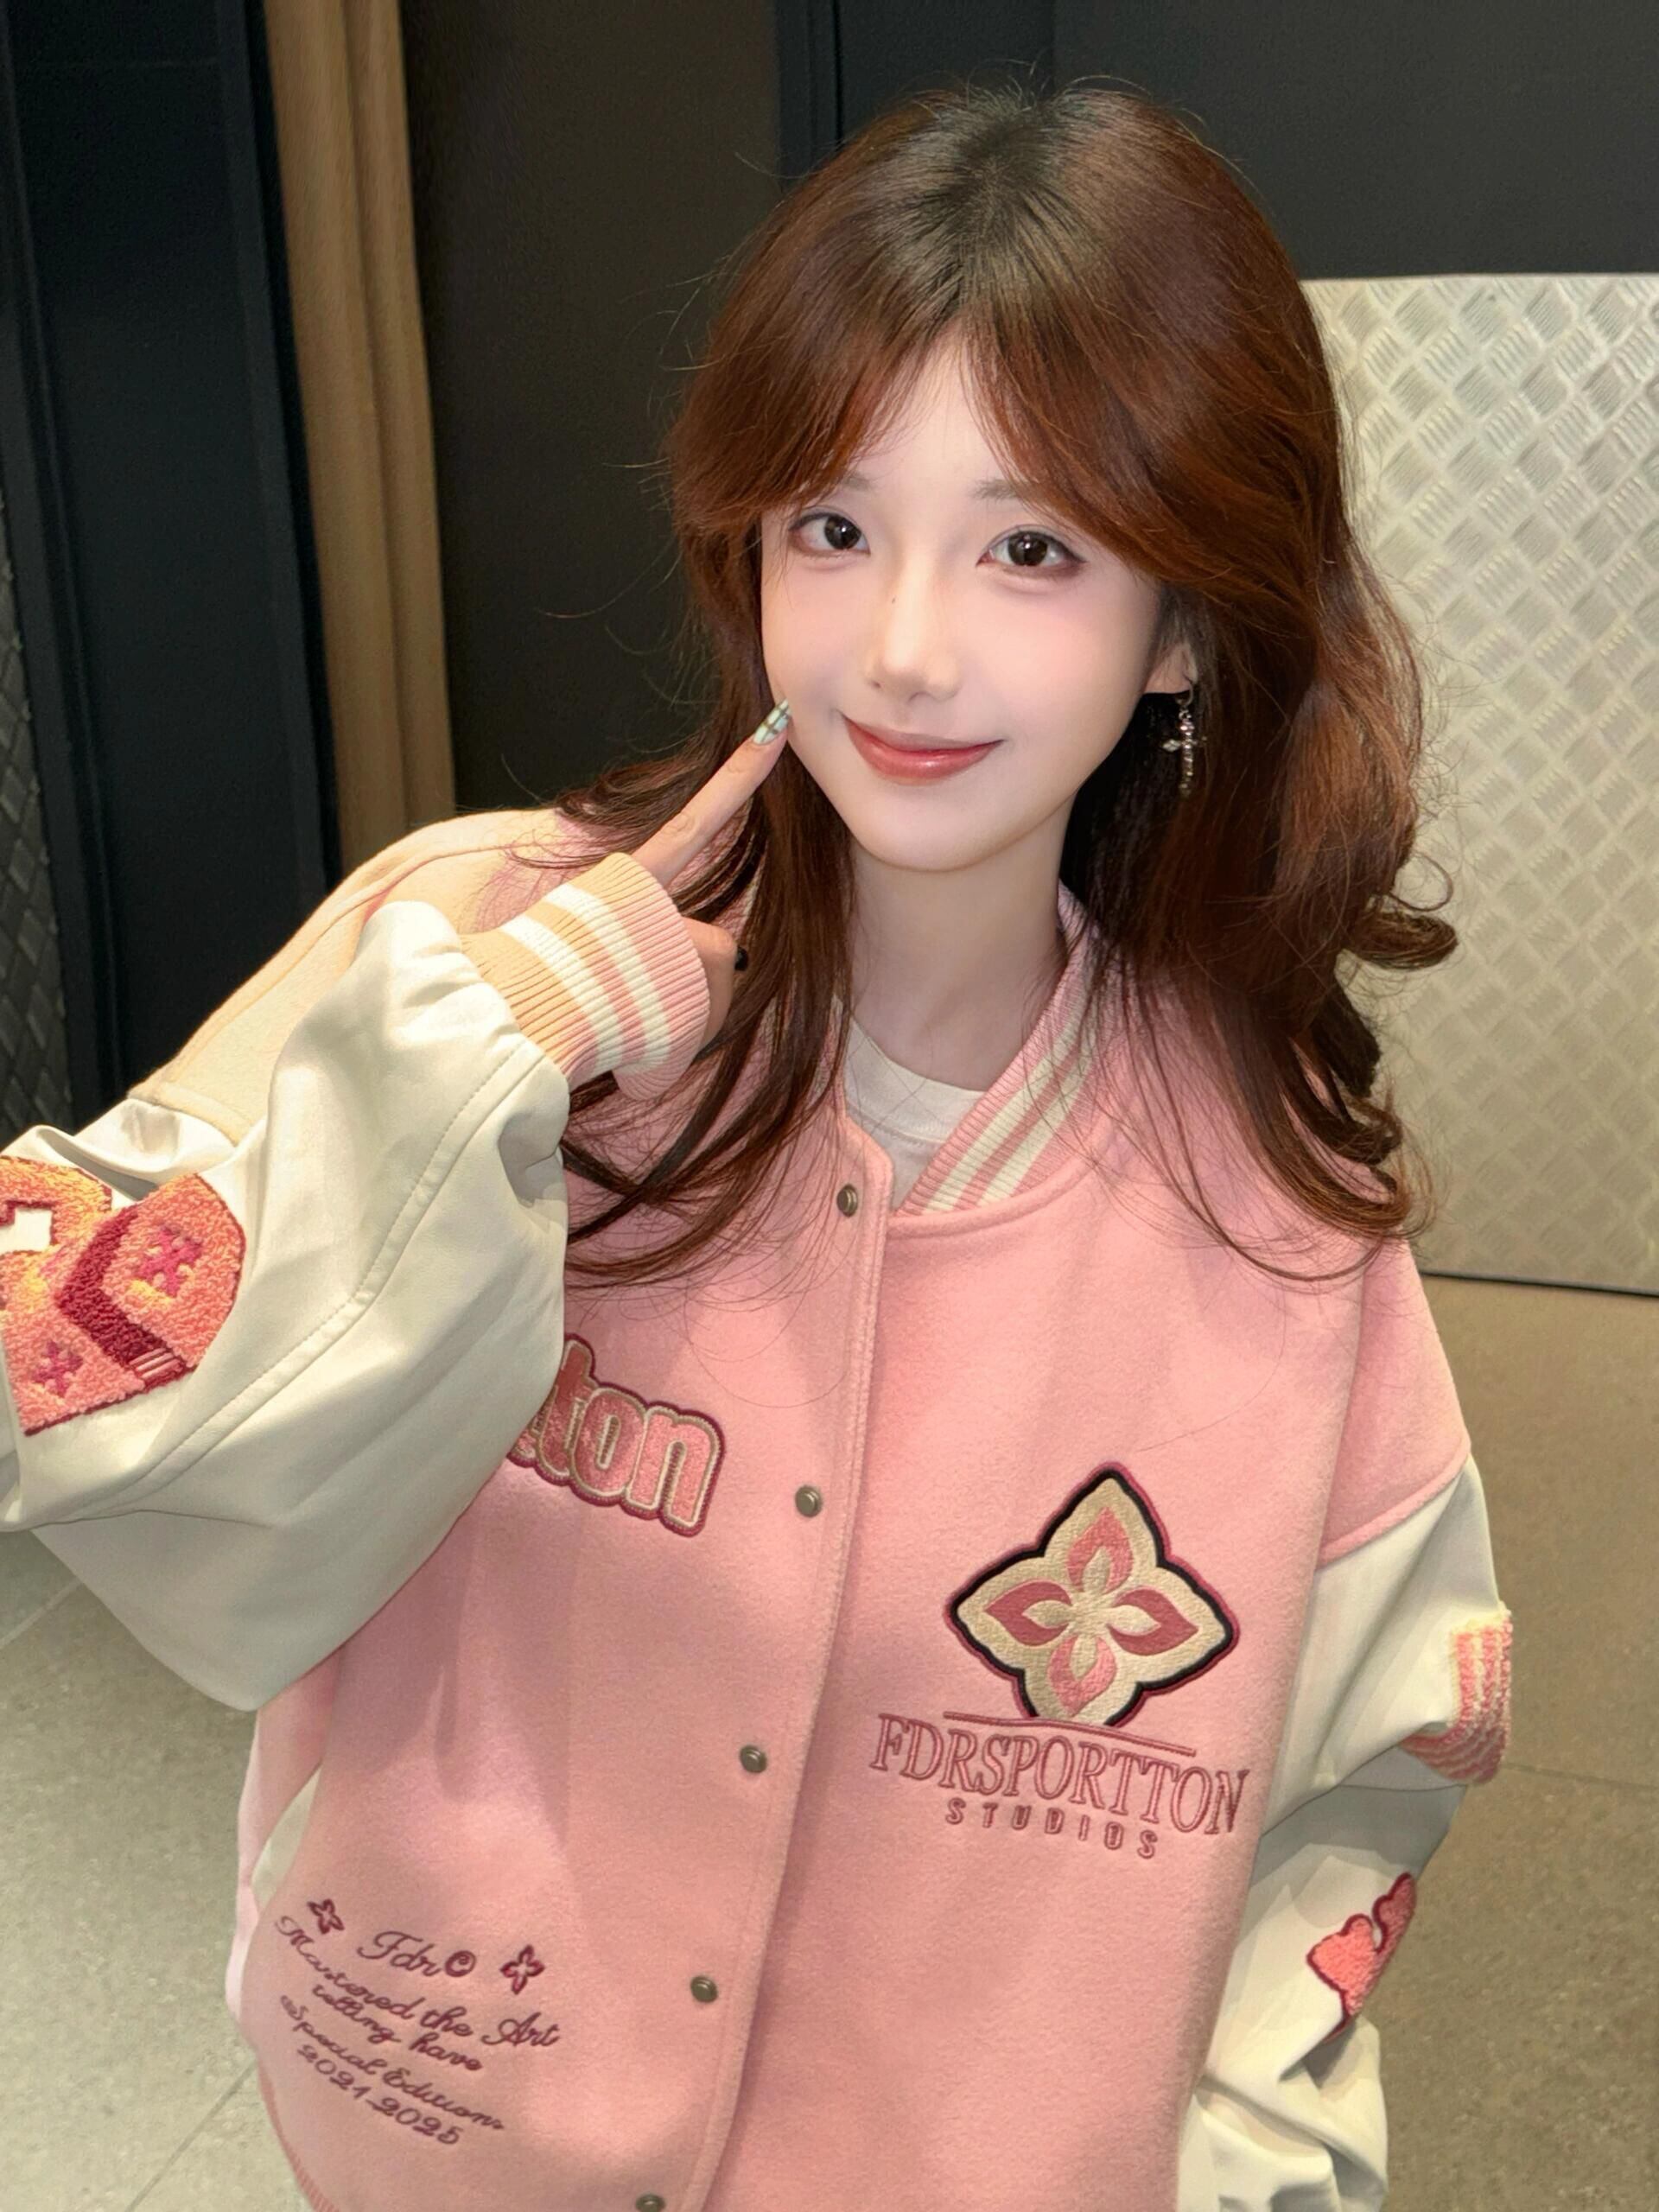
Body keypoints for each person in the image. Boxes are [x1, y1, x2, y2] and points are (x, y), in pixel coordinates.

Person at [0, 77, 1511, 2212]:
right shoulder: (468, 953)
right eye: (834, 525)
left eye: (1032, 548)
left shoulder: (1268, 1209)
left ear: (1181, 622)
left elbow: (1367, 1773)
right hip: (440, 2131)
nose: (905, 646)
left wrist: (1255, 2162)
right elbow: (89, 1423)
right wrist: (484, 1071)